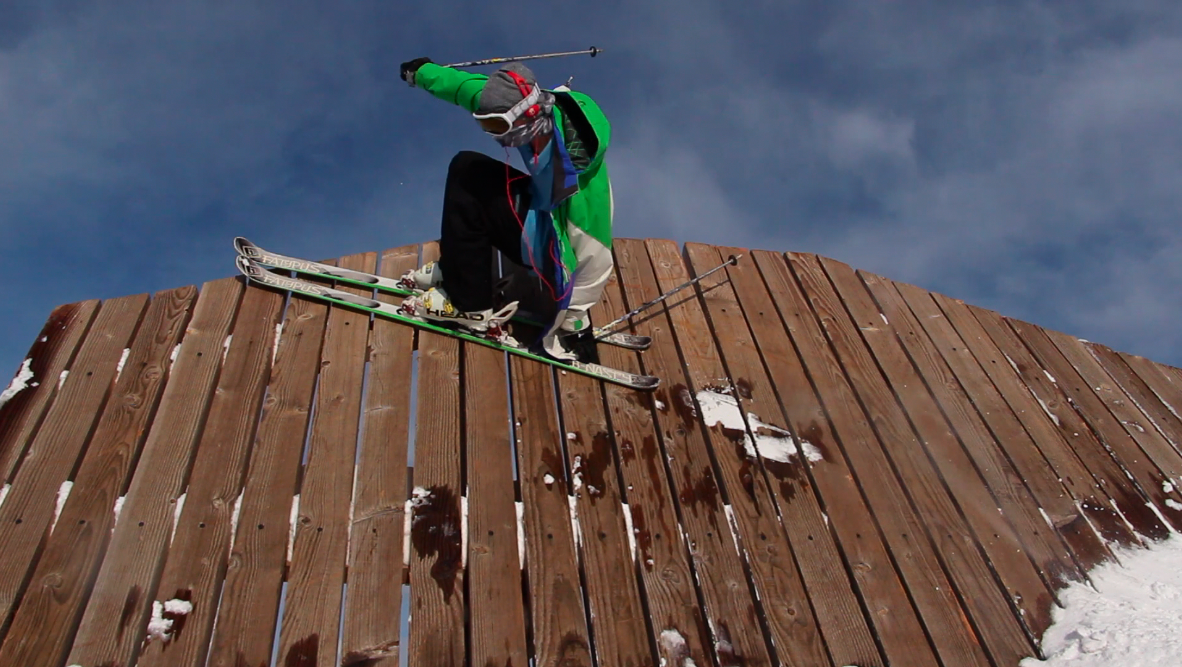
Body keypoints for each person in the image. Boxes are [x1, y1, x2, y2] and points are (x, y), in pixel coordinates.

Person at [397, 56, 614, 363]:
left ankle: (469, 305)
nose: (495, 135)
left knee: (471, 185)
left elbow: (597, 252)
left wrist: (575, 320)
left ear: (530, 114)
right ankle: (459, 268)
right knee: (467, 167)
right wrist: (422, 73)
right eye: (485, 124)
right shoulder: (523, 108)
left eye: (497, 125)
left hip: (553, 245)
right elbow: (467, 88)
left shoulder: (577, 178)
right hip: (539, 209)